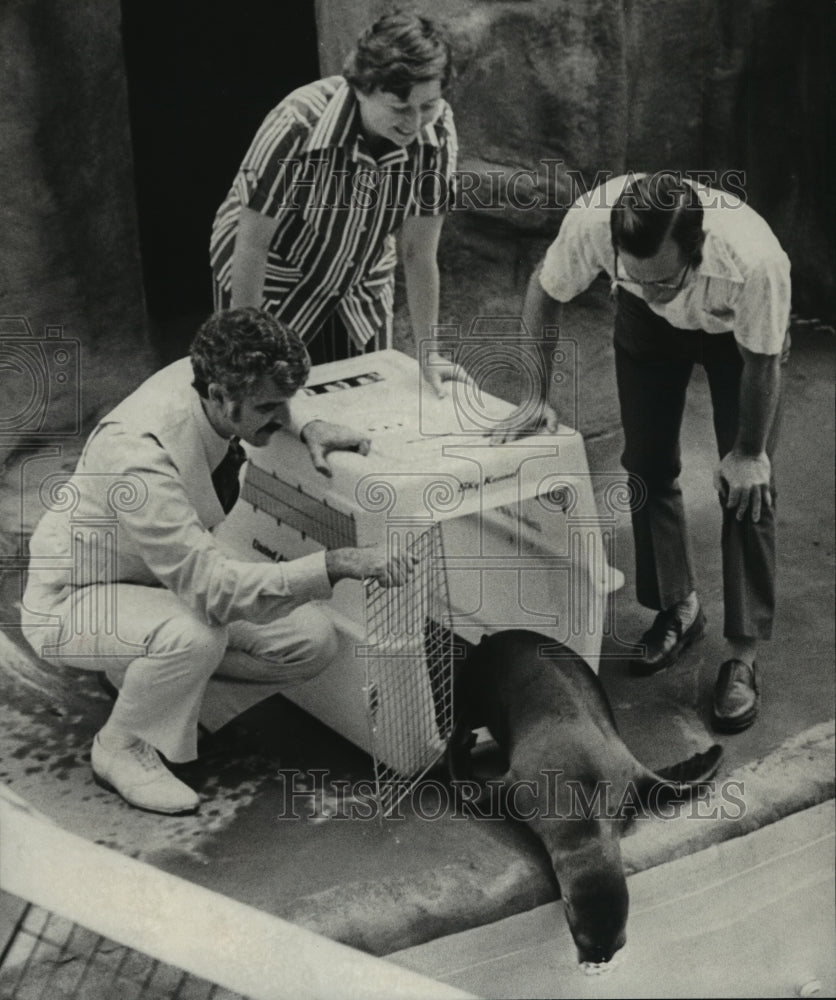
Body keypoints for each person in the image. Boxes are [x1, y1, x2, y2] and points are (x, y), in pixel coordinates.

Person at [21, 308, 416, 815]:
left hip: (153, 578)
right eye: (270, 407)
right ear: (217, 397)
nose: (281, 415)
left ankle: (159, 701)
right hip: (74, 599)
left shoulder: (211, 373)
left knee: (310, 642)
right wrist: (335, 563)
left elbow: (262, 396)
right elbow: (212, 592)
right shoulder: (138, 456)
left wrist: (308, 422)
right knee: (195, 634)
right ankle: (120, 747)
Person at [494, 171, 790, 732]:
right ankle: (679, 606)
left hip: (739, 343)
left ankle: (743, 655)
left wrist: (749, 451)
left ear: (697, 250)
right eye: (638, 274)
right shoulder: (593, 225)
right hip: (644, 333)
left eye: (664, 280)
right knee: (647, 466)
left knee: (748, 487)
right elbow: (545, 288)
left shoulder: (755, 261)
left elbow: (764, 361)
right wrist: (535, 394)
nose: (655, 290)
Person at [210, 10, 471, 394]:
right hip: (273, 275)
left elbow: (418, 252)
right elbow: (251, 243)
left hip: (359, 282)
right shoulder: (297, 124)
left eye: (427, 106)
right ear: (361, 87)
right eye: (400, 108)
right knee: (260, 405)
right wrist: (248, 354)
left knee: (362, 399)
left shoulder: (438, 134)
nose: (414, 124)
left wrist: (428, 352)